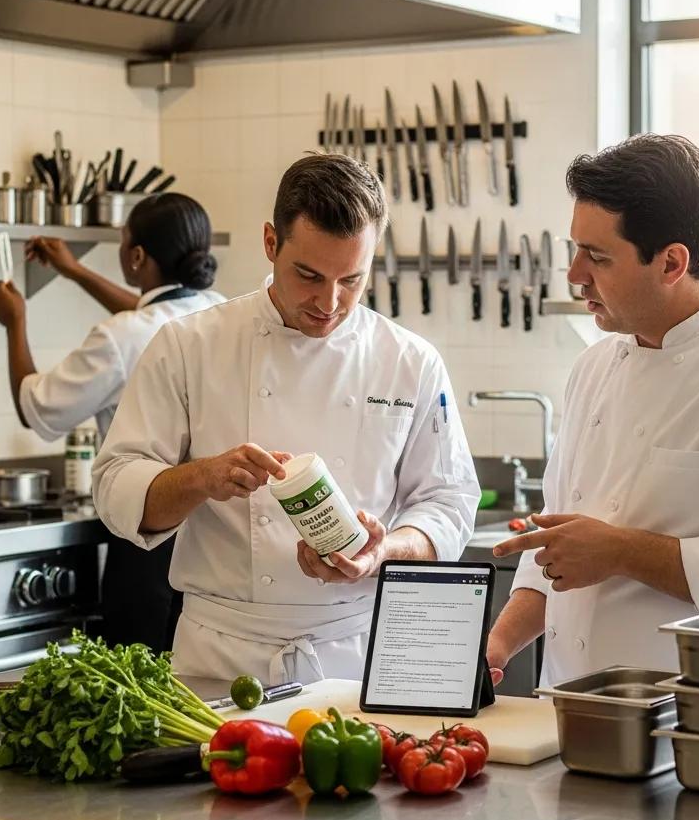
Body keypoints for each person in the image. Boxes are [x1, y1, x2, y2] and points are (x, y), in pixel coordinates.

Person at [92, 153, 479, 685]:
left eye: (352, 280)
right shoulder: (190, 345)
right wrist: (201, 477)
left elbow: (449, 501)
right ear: (271, 243)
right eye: (309, 275)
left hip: (358, 653)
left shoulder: (410, 361)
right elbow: (115, 489)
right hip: (220, 659)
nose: (329, 301)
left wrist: (385, 549)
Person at [486, 134, 699, 686]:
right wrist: (498, 644)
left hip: (687, 718)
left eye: (598, 257)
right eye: (575, 249)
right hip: (570, 709)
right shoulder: (591, 368)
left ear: (672, 262)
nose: (576, 274)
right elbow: (556, 549)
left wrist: (623, 552)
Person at [0, 193, 226, 651]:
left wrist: (14, 322)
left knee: (138, 688)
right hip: (218, 540)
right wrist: (73, 271)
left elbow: (37, 408)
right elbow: (148, 313)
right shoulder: (221, 311)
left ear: (136, 257)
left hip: (147, 539)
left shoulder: (122, 336)